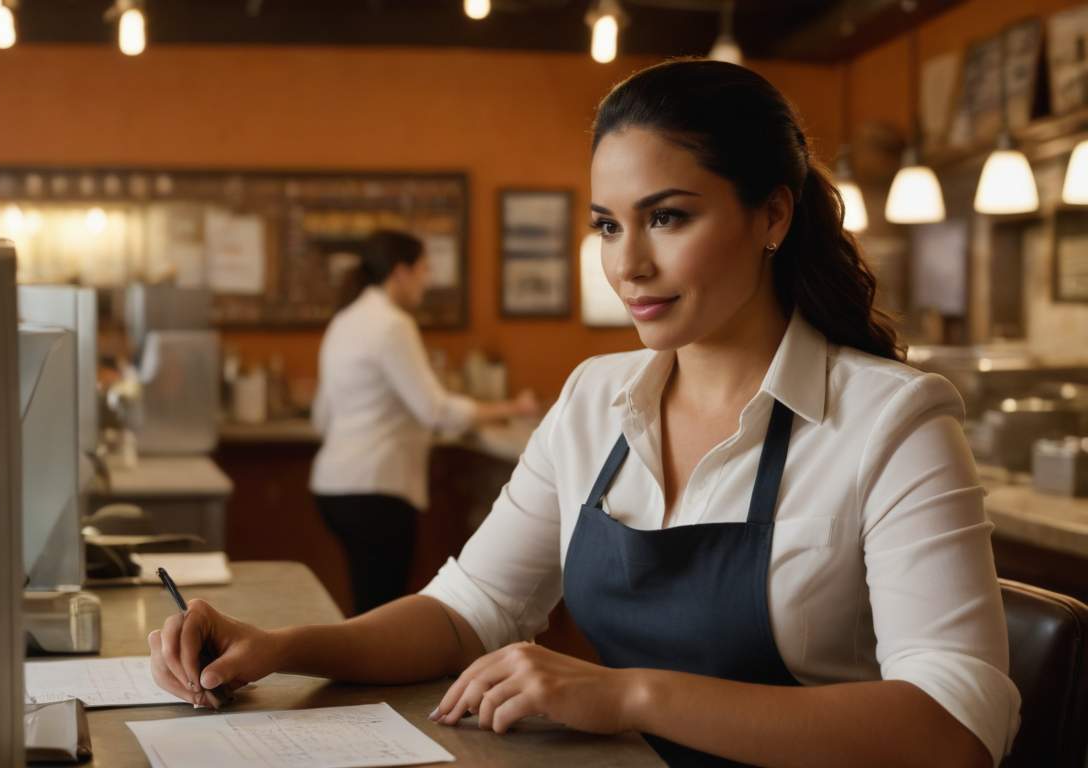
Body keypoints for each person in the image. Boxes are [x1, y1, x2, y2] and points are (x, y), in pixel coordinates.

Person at [148, 60, 1019, 768]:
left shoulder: (893, 422)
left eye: (667, 218)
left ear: (773, 215)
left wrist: (627, 693)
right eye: (608, 225)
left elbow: (952, 729)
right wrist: (280, 646)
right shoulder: (594, 399)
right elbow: (467, 609)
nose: (628, 264)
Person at [310, 230, 538, 615]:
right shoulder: (392, 324)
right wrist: (510, 408)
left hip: (333, 488)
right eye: (424, 270)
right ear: (401, 271)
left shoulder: (345, 319)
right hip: (375, 490)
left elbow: (321, 415)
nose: (428, 281)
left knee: (368, 611)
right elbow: (436, 411)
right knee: (380, 619)